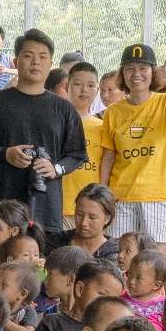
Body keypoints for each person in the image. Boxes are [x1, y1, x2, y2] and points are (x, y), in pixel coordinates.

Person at [0, 28, 88, 242]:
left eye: (42, 57)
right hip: (3, 213)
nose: (35, 62)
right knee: (4, 270)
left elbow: (77, 154)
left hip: (46, 211)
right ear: (15, 61)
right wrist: (5, 154)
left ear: (50, 63)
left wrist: (56, 168)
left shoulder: (63, 109)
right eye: (28, 56)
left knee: (43, 270)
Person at [98, 44, 166, 252]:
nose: (136, 74)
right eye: (130, 68)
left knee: (155, 260)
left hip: (158, 195)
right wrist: (103, 195)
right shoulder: (113, 112)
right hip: (120, 196)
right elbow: (108, 156)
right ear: (122, 73)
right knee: (118, 257)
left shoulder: (165, 101)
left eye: (143, 68)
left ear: (153, 72)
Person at [61, 62, 103, 224]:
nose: (84, 90)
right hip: (61, 207)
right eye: (77, 84)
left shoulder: (103, 127)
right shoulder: (56, 123)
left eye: (91, 85)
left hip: (92, 210)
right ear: (66, 86)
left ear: (97, 90)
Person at [122, 248, 166, 331]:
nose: (131, 281)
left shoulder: (165, 305)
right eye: (130, 274)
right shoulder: (122, 300)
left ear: (156, 285)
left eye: (138, 278)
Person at [69, 184, 119, 260]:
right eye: (79, 214)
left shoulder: (116, 252)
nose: (84, 223)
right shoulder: (56, 242)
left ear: (107, 218)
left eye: (92, 217)